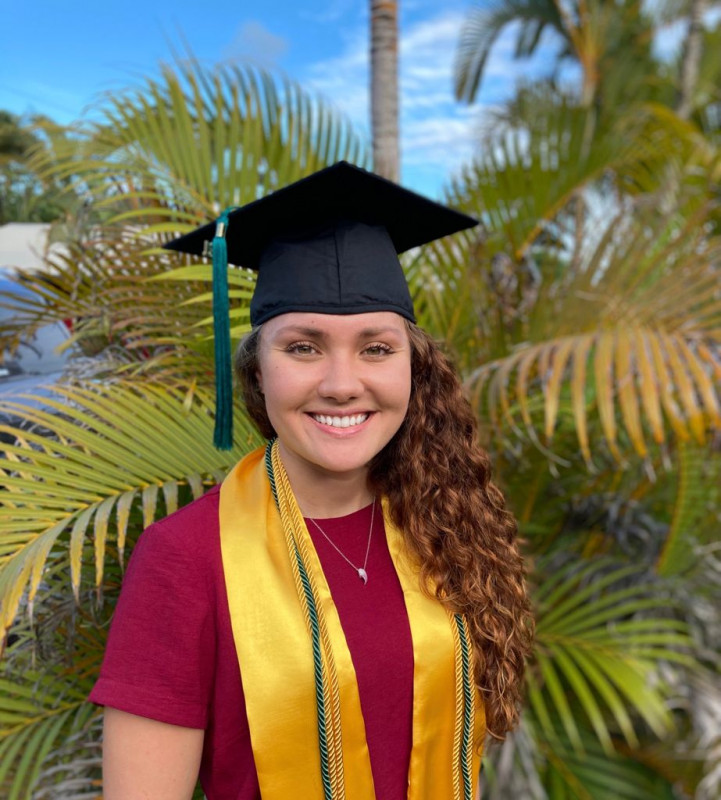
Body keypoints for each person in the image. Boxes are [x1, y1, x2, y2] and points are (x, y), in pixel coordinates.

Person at [89, 162, 534, 800]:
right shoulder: (185, 559)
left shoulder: (444, 519)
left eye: (376, 348)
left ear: (415, 366)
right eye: (303, 347)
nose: (342, 383)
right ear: (256, 370)